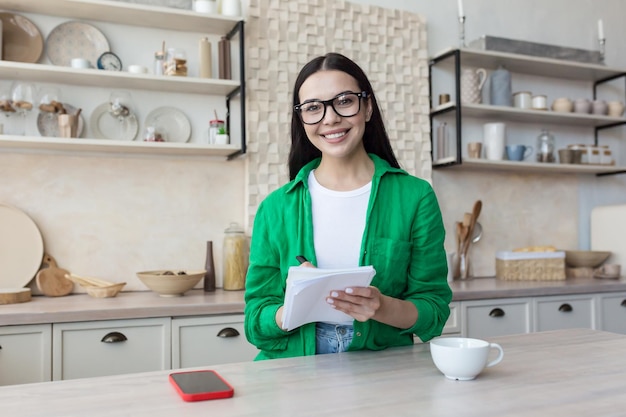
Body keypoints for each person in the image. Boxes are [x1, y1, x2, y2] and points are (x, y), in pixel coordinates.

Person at [244, 52, 451, 360]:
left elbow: (433, 311)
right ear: (301, 120)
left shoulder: (415, 197)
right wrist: (292, 309)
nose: (329, 118)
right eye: (313, 108)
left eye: (344, 101)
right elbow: (254, 323)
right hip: (292, 369)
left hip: (381, 368)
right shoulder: (275, 208)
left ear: (367, 107)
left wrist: (382, 306)